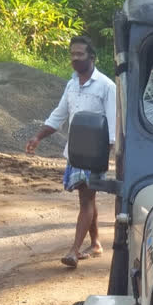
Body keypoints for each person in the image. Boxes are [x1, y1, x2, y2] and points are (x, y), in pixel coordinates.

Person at [25, 35, 118, 268]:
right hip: (76, 152)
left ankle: (74, 251)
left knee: (86, 199)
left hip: (94, 153)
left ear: (92, 58)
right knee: (85, 198)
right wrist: (38, 136)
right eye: (72, 55)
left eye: (80, 54)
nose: (75, 59)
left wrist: (105, 155)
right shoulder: (71, 84)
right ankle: (95, 243)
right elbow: (59, 114)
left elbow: (114, 125)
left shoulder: (106, 87)